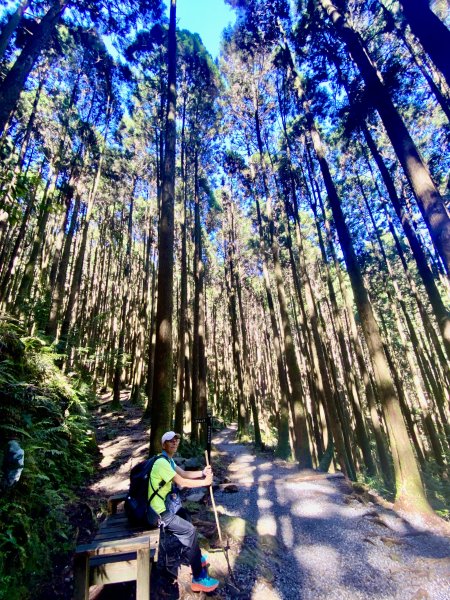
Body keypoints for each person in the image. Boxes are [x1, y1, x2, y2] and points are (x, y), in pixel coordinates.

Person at [150, 431, 219, 593]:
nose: (174, 443)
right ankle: (198, 578)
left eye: (176, 441)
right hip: (159, 512)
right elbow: (181, 481)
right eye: (170, 441)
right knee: (190, 531)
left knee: (186, 517)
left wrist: (202, 473)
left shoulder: (169, 461)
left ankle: (195, 557)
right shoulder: (161, 463)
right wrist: (204, 482)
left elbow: (185, 473)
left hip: (167, 507)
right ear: (163, 445)